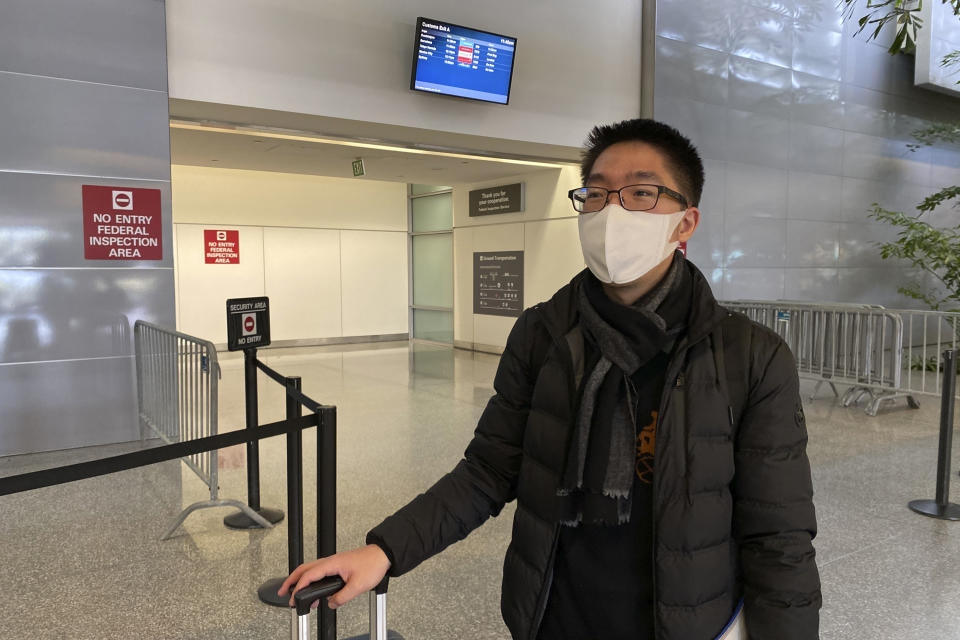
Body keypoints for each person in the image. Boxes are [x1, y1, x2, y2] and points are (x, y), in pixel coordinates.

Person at [279, 118, 821, 639]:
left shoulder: (748, 355)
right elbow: (490, 470)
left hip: (683, 624)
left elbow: (778, 535)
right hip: (552, 614)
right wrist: (385, 551)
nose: (612, 210)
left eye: (640, 194)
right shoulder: (544, 334)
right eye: (597, 193)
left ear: (685, 222)